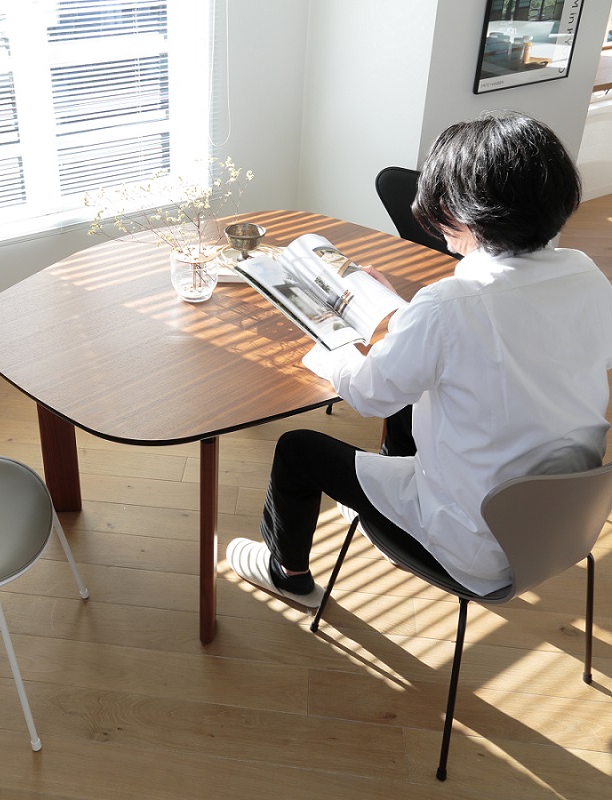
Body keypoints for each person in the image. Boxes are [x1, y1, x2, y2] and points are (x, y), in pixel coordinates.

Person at [227, 111, 612, 607]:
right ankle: (379, 495)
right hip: (561, 525)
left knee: (298, 449)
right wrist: (406, 314)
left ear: (466, 213)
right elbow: (501, 341)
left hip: (470, 544)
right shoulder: (586, 275)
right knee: (421, 389)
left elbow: (368, 395)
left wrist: (329, 350)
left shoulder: (449, 306)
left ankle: (288, 574)